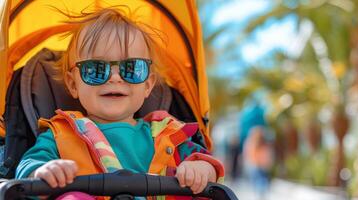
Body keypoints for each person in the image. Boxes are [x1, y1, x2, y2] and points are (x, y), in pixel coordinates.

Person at [15, 7, 224, 199]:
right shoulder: (61, 134)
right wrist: (44, 171)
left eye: (131, 69)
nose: (115, 78)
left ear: (148, 85)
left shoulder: (166, 135)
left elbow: (209, 164)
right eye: (96, 70)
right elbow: (28, 166)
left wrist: (201, 170)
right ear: (73, 84)